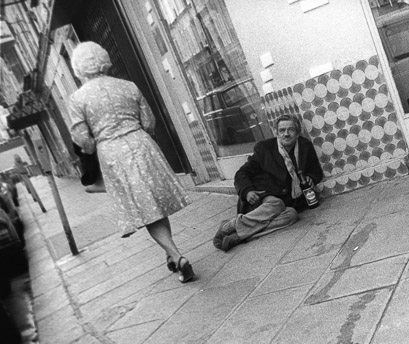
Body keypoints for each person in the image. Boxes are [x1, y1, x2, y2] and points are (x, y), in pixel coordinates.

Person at [68, 41, 195, 283]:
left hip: (113, 154)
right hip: (141, 144)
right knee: (153, 205)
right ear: (104, 60)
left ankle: (177, 256)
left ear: (78, 68)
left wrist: (95, 143)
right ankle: (171, 255)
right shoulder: (128, 86)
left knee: (147, 209)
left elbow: (84, 141)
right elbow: (149, 122)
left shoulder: (78, 99)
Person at [214, 114, 323, 251]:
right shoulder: (264, 148)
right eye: (282, 130)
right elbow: (242, 173)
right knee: (276, 204)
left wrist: (310, 177)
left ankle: (240, 236)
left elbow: (315, 169)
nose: (286, 134)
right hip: (263, 196)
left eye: (291, 130)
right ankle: (231, 226)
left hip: (288, 201)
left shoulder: (304, 146)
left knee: (291, 214)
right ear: (276, 133)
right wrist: (247, 191)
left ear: (297, 132)